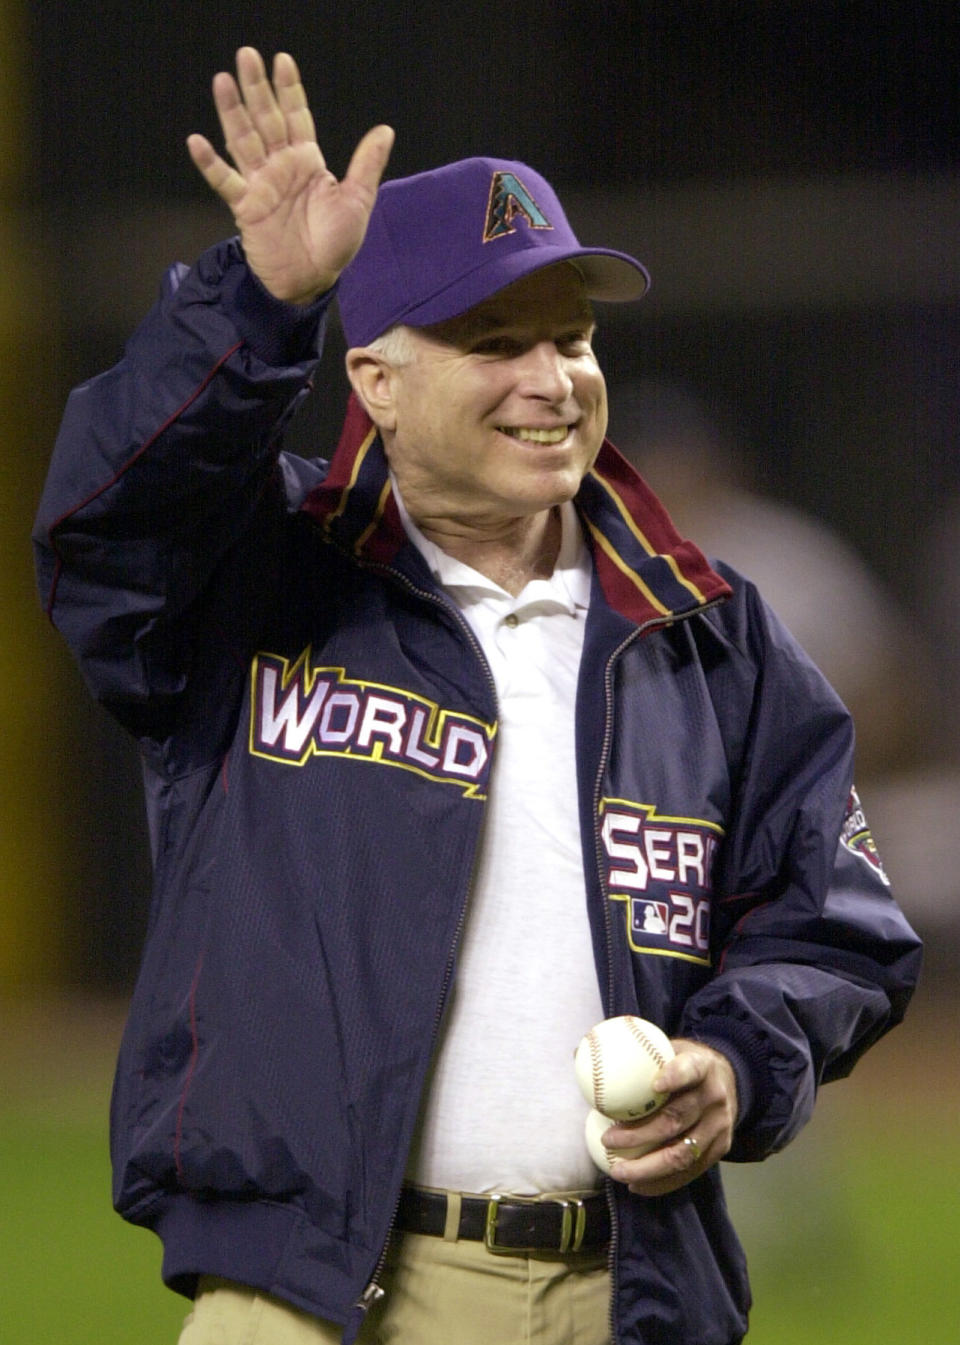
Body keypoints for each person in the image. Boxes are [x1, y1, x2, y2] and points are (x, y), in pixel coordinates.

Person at [34, 48, 921, 1345]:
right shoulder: (258, 580)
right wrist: (259, 308)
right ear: (379, 381)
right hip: (315, 1299)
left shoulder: (707, 635)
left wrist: (735, 1060)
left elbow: (833, 927)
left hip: (624, 1297)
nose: (550, 377)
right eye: (495, 341)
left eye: (571, 336)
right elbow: (100, 528)